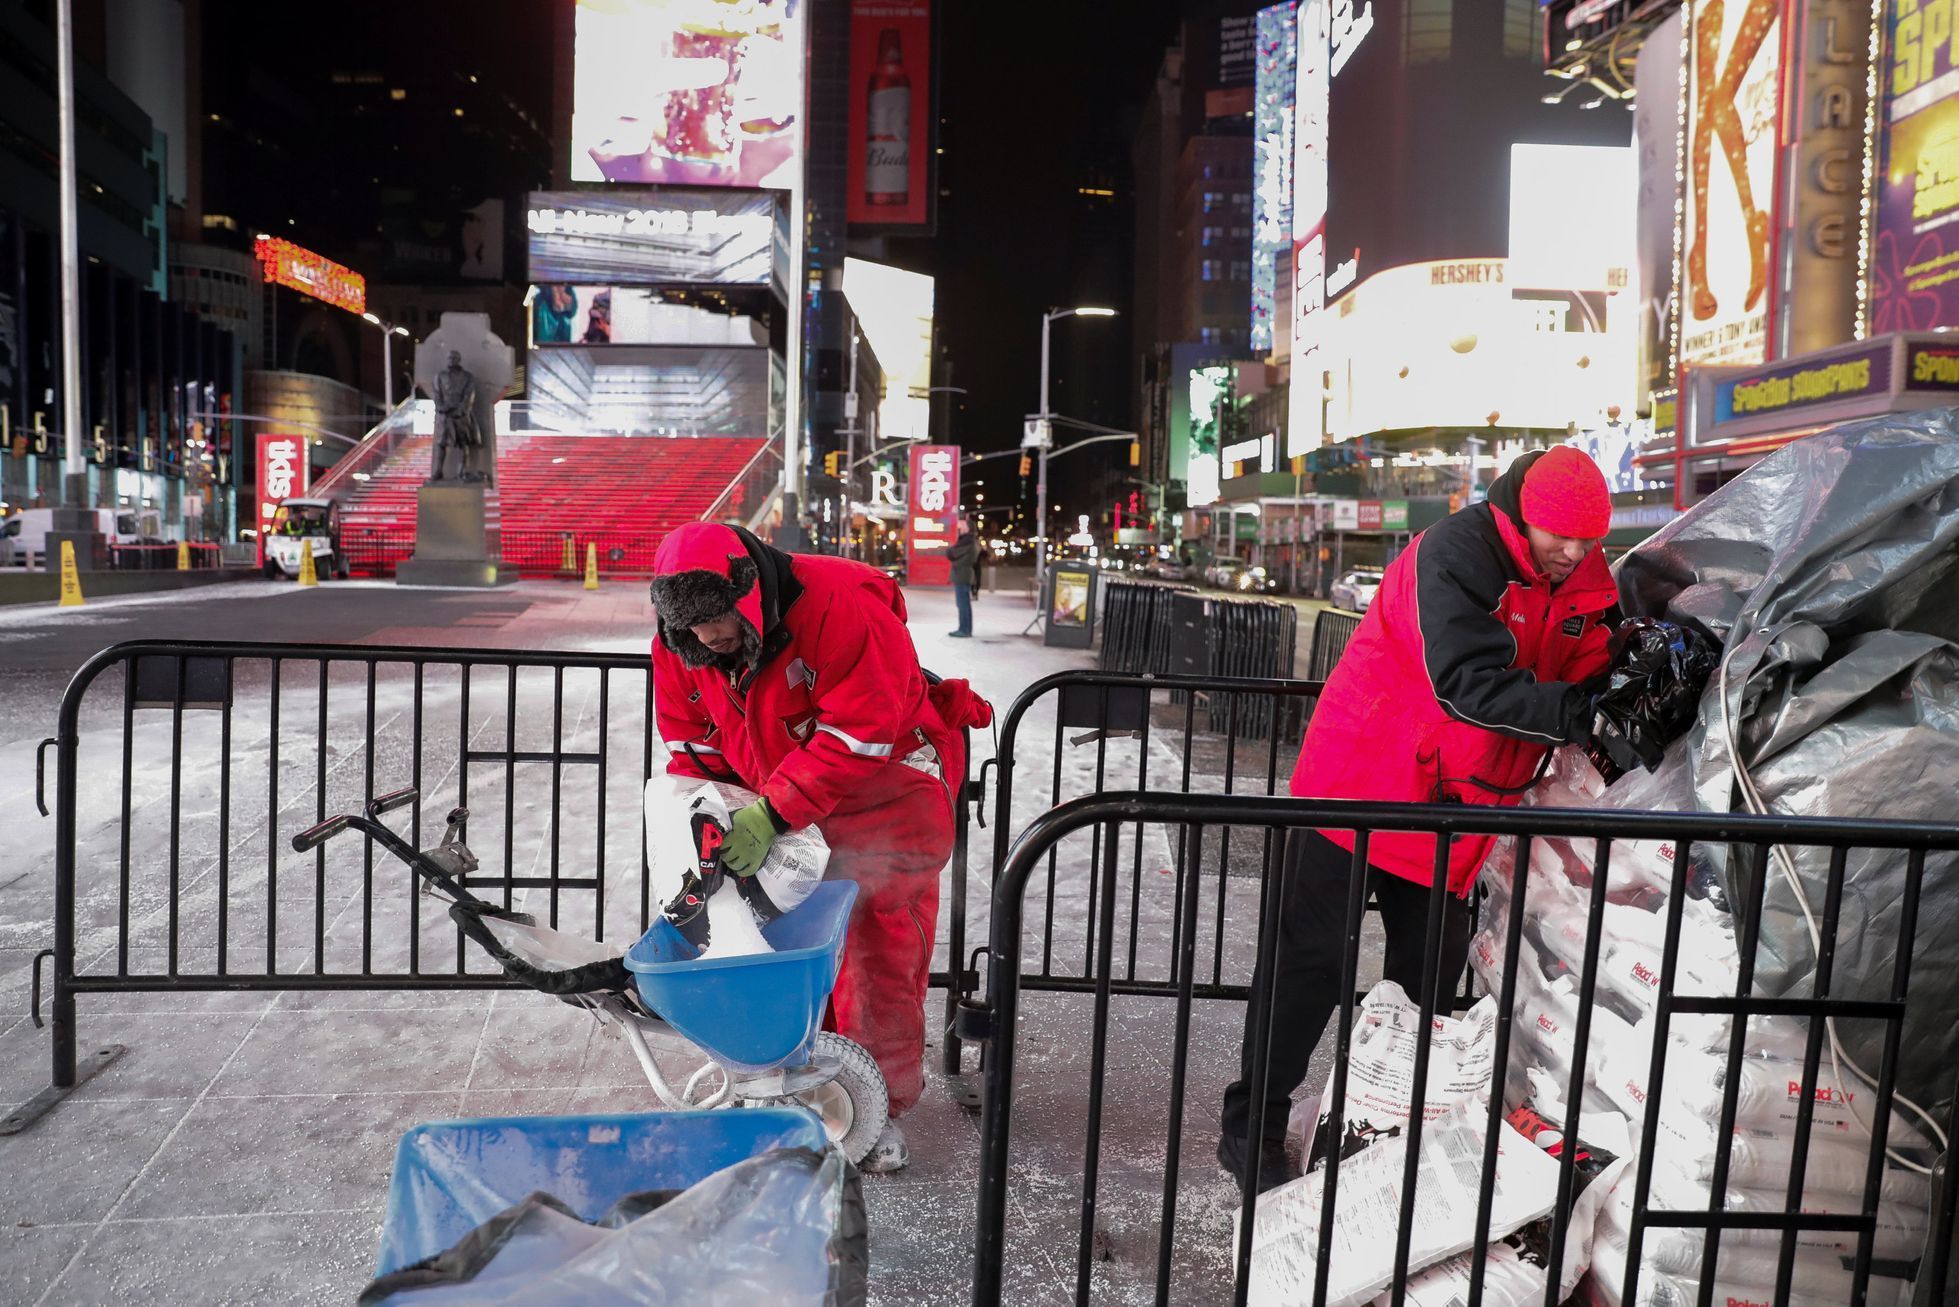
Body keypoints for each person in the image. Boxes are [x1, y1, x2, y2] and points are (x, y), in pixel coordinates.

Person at [1216, 446, 1620, 1195]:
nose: (1572, 552)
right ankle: (1253, 1129)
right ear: (1521, 516)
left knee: (1427, 982)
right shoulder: (1456, 551)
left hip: (1458, 804)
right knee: (1309, 964)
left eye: (1588, 538)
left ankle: (1383, 1134)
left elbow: (1597, 663)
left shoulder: (1587, 579)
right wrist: (1581, 711)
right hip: (1360, 779)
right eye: (1558, 535)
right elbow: (1464, 684)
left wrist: (1621, 692)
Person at [649, 521, 992, 1172]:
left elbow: (863, 728)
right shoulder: (681, 642)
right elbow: (689, 742)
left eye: (718, 620)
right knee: (782, 954)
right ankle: (799, 1094)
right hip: (778, 809)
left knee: (874, 953)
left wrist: (774, 810)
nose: (709, 638)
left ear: (747, 592)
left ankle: (876, 1112)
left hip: (887, 795)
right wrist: (716, 818)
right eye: (692, 630)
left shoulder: (838, 605)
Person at [946, 519, 979, 638]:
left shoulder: (967, 541)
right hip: (964, 574)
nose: (960, 526)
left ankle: (964, 630)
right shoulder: (969, 541)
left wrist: (950, 551)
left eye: (963, 525)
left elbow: (952, 553)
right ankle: (965, 628)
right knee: (964, 604)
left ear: (968, 528)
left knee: (963, 604)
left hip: (962, 575)